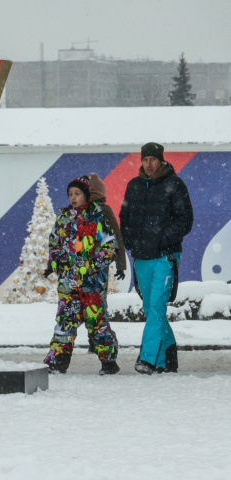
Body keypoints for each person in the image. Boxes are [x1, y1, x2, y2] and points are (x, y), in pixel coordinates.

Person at [119, 142, 193, 374]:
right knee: (151, 309)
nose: (149, 164)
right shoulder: (134, 185)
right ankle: (168, 357)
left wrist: (162, 240)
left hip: (165, 256)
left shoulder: (174, 185)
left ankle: (149, 359)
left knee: (157, 307)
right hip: (141, 257)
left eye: (153, 159)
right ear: (140, 161)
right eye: (145, 159)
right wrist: (129, 240)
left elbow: (185, 220)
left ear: (161, 160)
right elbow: (125, 216)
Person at [43, 175, 120, 375]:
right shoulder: (63, 218)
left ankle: (108, 359)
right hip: (68, 282)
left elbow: (110, 246)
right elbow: (55, 244)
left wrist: (93, 265)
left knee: (96, 321)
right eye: (70, 194)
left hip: (92, 282)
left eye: (77, 194)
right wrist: (55, 261)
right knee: (66, 319)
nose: (73, 198)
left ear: (86, 195)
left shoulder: (97, 217)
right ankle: (58, 359)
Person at [85, 173, 126, 352]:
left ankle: (97, 339)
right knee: (98, 302)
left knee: (86, 302)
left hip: (82, 266)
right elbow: (117, 237)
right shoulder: (104, 209)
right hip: (100, 265)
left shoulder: (79, 209)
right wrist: (120, 264)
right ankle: (100, 340)